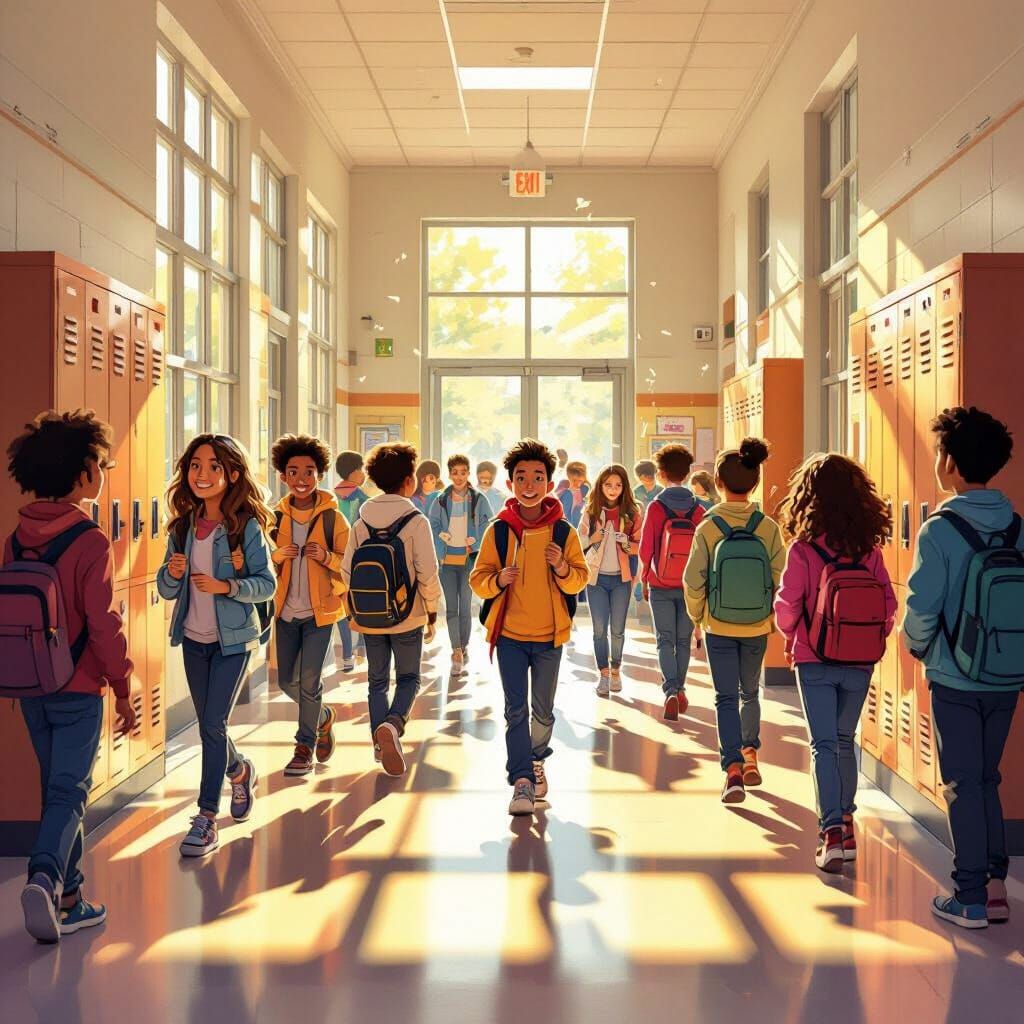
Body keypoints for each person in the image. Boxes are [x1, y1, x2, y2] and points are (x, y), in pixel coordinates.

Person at [5, 411, 136, 943]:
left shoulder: (17, 536)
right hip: (78, 686)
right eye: (101, 464)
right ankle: (43, 876)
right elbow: (104, 625)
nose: (104, 471)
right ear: (83, 475)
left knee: (58, 791)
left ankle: (71, 897)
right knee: (69, 790)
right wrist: (124, 687)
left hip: (31, 685)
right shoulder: (90, 539)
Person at [902, 407, 1024, 930]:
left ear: (949, 464)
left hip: (955, 676)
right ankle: (996, 887)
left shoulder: (940, 529)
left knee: (961, 782)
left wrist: (915, 645)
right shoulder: (1018, 526)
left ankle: (970, 896)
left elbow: (922, 605)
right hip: (1007, 673)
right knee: (987, 778)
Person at [774, 453, 895, 873]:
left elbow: (788, 605)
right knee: (846, 740)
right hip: (860, 661)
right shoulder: (870, 550)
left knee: (823, 743)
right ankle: (846, 820)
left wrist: (791, 635)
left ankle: (831, 834)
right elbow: (889, 603)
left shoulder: (803, 550)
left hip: (814, 657)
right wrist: (867, 638)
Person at [157, 434, 275, 858]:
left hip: (233, 641)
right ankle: (239, 771)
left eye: (213, 467)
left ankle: (206, 817)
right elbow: (167, 589)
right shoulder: (182, 526)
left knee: (210, 724)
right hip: (193, 638)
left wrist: (227, 585)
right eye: (194, 466)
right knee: (213, 725)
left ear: (233, 475)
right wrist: (173, 571)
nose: (201, 475)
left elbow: (267, 585)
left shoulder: (246, 528)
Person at [470, 439, 588, 817]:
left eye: (538, 477)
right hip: (510, 637)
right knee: (515, 710)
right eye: (521, 477)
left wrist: (562, 568)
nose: (530, 484)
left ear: (549, 485)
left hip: (550, 636)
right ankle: (522, 779)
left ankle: (537, 759)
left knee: (544, 712)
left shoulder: (563, 533)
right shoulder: (500, 531)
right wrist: (498, 580)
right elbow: (478, 579)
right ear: (511, 483)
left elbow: (579, 581)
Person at [683, 438, 784, 804]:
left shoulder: (708, 528)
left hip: (718, 625)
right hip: (756, 625)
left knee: (724, 697)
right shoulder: (768, 527)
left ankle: (732, 770)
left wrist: (698, 616)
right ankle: (751, 752)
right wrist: (769, 615)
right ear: (755, 484)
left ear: (718, 484)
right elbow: (779, 577)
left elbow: (693, 580)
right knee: (750, 692)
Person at [340, 442, 441, 777]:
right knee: (409, 677)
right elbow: (427, 572)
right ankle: (393, 726)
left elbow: (345, 572)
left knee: (376, 682)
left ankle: (379, 743)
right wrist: (430, 612)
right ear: (410, 481)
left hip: (370, 617)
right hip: (406, 614)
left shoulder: (361, 522)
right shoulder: (416, 520)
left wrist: (353, 611)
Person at [270, 434, 349, 778]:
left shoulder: (334, 519)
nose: (301, 480)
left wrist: (327, 557)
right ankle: (323, 717)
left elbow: (350, 564)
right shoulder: (273, 520)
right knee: (288, 682)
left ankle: (304, 747)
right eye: (293, 472)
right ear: (283, 476)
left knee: (309, 679)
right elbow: (258, 565)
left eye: (309, 472)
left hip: (320, 612)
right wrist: (276, 554)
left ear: (320, 475)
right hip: (284, 611)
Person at [639, 443, 705, 720]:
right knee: (683, 639)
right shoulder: (699, 510)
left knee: (664, 640)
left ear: (661, 473)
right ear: (688, 473)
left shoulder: (656, 507)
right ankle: (680, 688)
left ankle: (670, 690)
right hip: (689, 586)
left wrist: (644, 578)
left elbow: (646, 549)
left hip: (660, 583)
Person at [579, 465, 642, 696]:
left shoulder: (633, 513)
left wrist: (626, 543)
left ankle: (616, 670)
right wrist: (593, 537)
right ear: (600, 486)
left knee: (617, 629)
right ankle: (603, 674)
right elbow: (579, 542)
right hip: (595, 579)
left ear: (624, 487)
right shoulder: (591, 512)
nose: (613, 489)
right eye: (608, 485)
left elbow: (639, 547)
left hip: (621, 581)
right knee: (598, 629)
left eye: (618, 485)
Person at [428, 454, 492, 674]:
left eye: (463, 472)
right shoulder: (441, 499)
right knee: (451, 608)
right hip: (447, 561)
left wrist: (475, 542)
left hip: (468, 560)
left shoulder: (478, 499)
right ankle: (455, 649)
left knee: (465, 607)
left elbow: (488, 524)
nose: (459, 476)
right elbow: (433, 524)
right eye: (454, 472)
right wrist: (441, 542)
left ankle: (464, 647)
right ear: (449, 474)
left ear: (468, 473)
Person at [334, 450, 368, 671]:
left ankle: (347, 654)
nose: (364, 474)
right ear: (354, 472)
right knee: (360, 601)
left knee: (341, 603)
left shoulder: (330, 496)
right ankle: (363, 646)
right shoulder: (363, 499)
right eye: (362, 469)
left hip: (334, 558)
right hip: (356, 558)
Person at [558, 461, 590, 529]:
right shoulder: (566, 493)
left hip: (578, 524)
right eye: (574, 480)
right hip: (567, 524)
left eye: (580, 481)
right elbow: (565, 514)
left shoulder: (584, 490)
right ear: (568, 477)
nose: (577, 484)